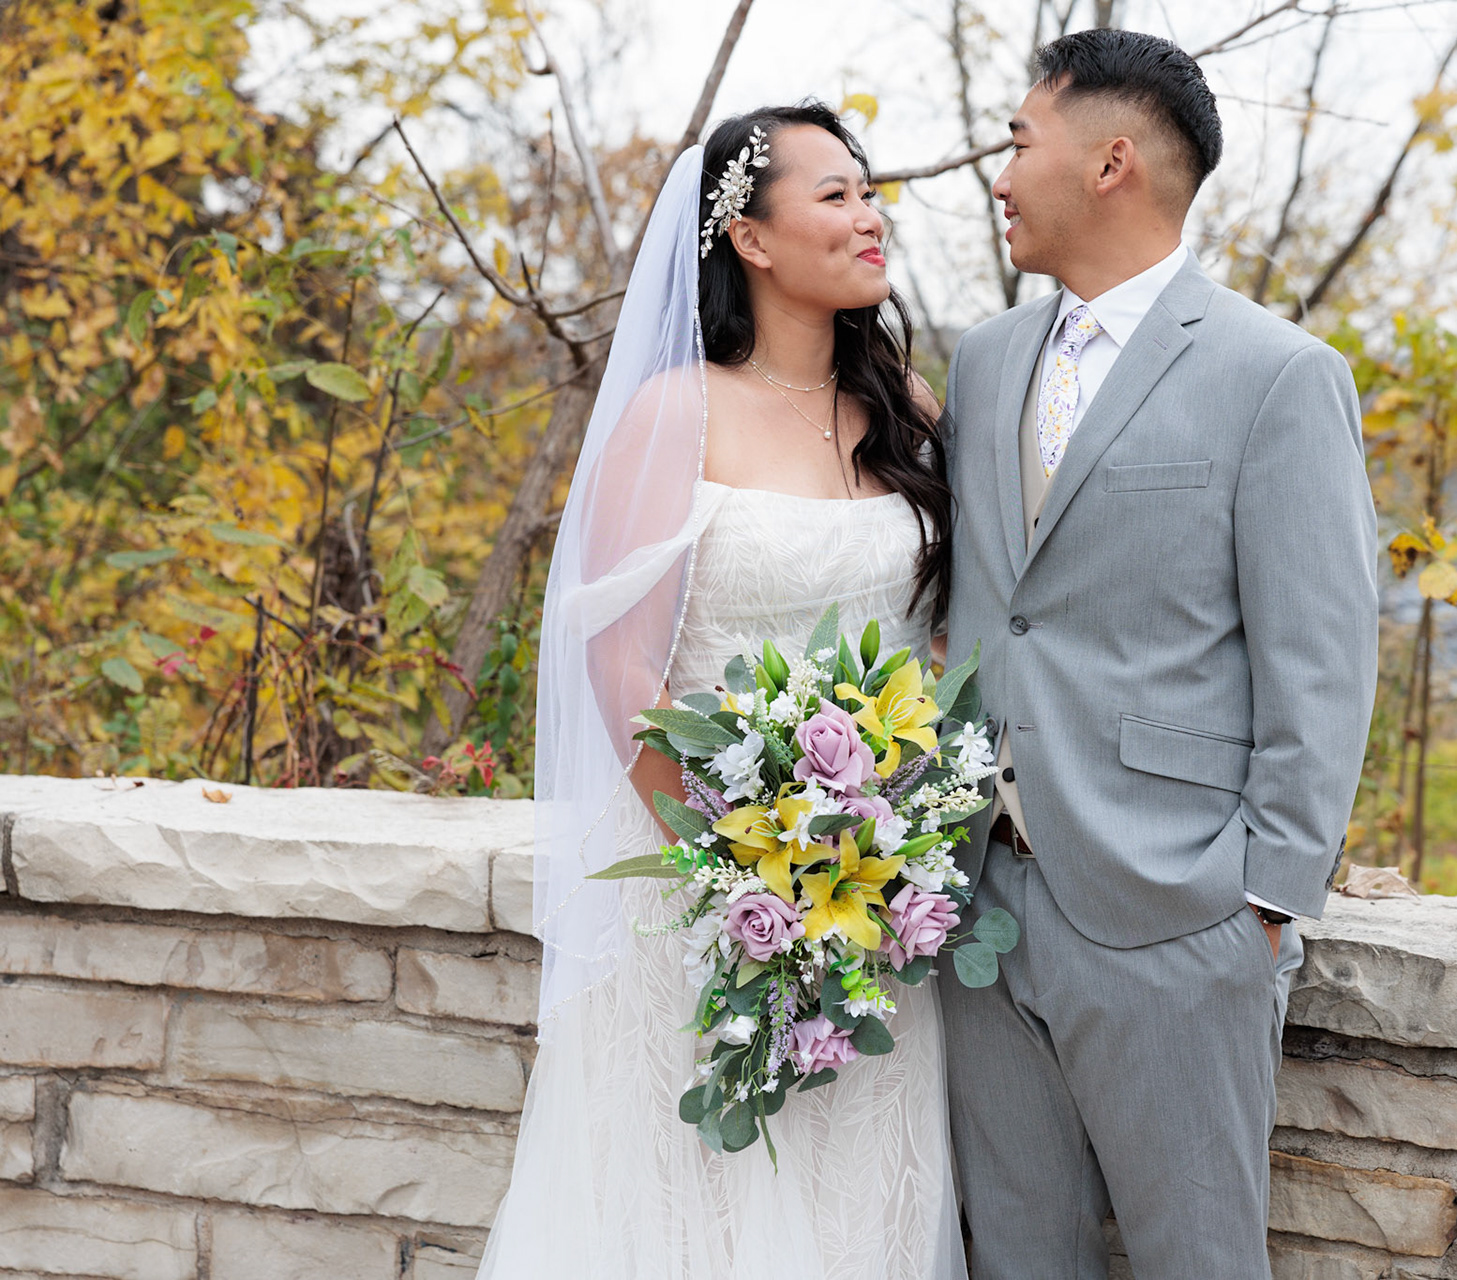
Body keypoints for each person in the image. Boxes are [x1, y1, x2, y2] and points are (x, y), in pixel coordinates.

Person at [476, 102, 965, 1280]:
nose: (870, 215)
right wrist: (743, 878)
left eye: (869, 191)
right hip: (699, 898)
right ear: (750, 236)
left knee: (860, 1210)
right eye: (836, 195)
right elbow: (622, 669)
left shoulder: (907, 407)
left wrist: (883, 855)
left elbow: (953, 636)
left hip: (875, 905)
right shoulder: (675, 411)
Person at [941, 29, 1379, 1279]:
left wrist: (1262, 905)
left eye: (1020, 142)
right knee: (1016, 1258)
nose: (1000, 176)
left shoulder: (1277, 374)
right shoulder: (984, 361)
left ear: (1111, 161)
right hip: (981, 903)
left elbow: (1323, 654)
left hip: (1179, 915)